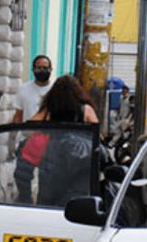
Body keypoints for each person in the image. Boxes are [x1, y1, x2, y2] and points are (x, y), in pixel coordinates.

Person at [14, 75, 99, 205]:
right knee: (79, 203)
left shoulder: (49, 111)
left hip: (52, 164)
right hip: (81, 166)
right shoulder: (86, 110)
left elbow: (28, 129)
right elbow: (96, 135)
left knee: (48, 204)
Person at [12, 55, 54, 124]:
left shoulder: (55, 90)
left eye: (45, 68)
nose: (42, 70)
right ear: (33, 70)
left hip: (48, 133)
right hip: (26, 133)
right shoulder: (24, 89)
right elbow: (18, 115)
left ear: (51, 69)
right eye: (39, 68)